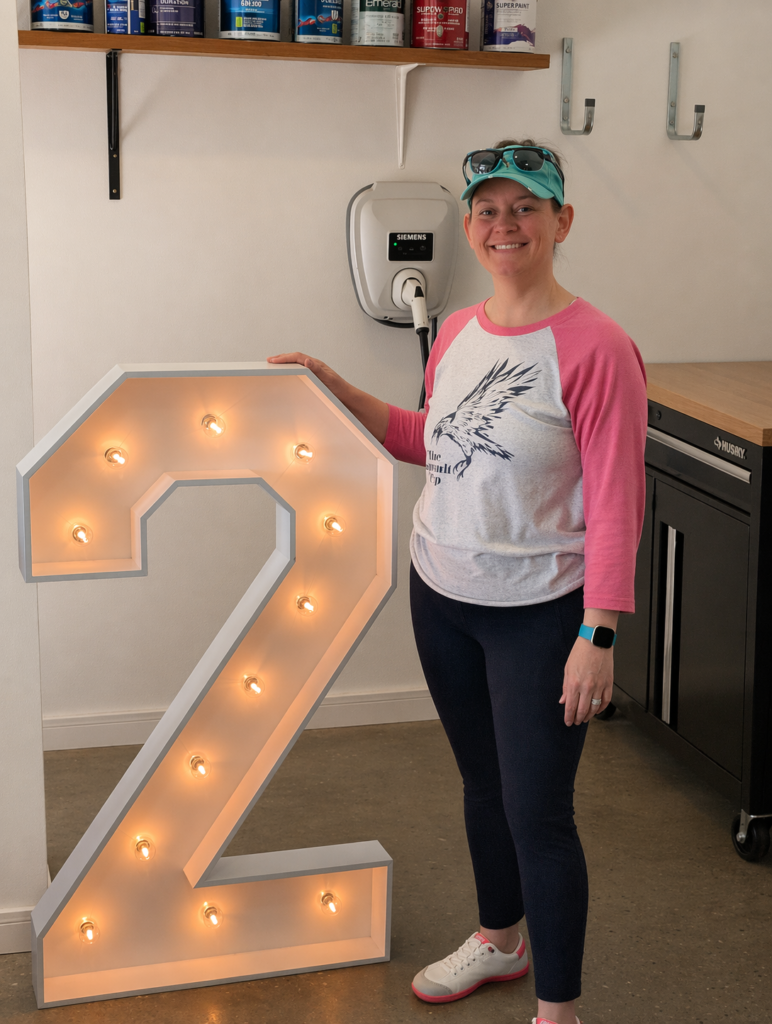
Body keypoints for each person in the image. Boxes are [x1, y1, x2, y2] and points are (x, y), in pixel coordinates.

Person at [269, 139, 647, 1024]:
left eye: (526, 208)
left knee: (538, 813)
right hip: (442, 595)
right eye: (488, 210)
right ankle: (500, 940)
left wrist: (598, 631)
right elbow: (431, 441)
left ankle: (558, 1011)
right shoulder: (459, 332)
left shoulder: (597, 348)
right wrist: (339, 389)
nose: (504, 225)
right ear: (470, 227)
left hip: (541, 615)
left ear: (561, 220)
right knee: (483, 786)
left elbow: (619, 501)